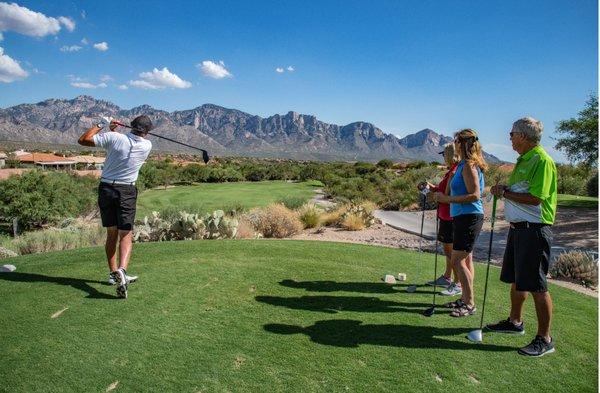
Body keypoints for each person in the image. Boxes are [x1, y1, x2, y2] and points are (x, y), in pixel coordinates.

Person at [486, 117, 557, 357]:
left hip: (535, 230)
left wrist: (505, 192)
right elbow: (518, 193)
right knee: (518, 279)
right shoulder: (523, 160)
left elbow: (537, 198)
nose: (510, 138)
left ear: (523, 136)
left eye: (512, 134)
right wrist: (503, 191)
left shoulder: (542, 160)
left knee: (537, 285)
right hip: (519, 229)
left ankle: (545, 339)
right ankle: (515, 322)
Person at [78, 115, 153, 299]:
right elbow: (123, 144)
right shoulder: (147, 146)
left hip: (106, 189)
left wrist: (102, 125)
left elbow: (83, 140)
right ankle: (122, 272)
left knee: (111, 233)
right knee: (125, 233)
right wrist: (113, 131)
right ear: (147, 131)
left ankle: (114, 274)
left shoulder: (115, 137)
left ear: (132, 126)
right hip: (126, 191)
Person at [434, 128, 486, 317]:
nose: (454, 144)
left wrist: (446, 200)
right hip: (462, 217)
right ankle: (465, 299)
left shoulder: (468, 165)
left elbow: (475, 195)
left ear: (462, 143)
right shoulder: (465, 164)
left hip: (469, 217)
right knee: (459, 260)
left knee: (457, 260)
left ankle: (470, 303)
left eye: (456, 141)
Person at [418, 143, 468, 297]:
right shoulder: (451, 171)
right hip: (445, 215)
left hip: (452, 216)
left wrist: (438, 193)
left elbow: (450, 193)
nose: (443, 157)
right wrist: (430, 187)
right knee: (448, 250)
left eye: (444, 154)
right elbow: (442, 190)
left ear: (450, 154)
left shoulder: (456, 171)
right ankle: (447, 277)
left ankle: (457, 283)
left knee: (452, 252)